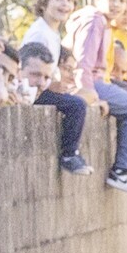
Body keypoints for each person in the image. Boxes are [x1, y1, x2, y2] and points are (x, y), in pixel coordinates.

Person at [54, 0, 127, 195]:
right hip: (89, 82)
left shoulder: (103, 22)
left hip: (99, 80)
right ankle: (123, 170)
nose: (117, 5)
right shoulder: (94, 20)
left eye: (122, 0)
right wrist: (89, 95)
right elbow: (83, 64)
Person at [19, 39, 87, 172]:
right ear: (18, 69)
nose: (41, 83)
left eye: (46, 78)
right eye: (35, 75)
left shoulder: (42, 91)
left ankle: (70, 155)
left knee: (77, 104)